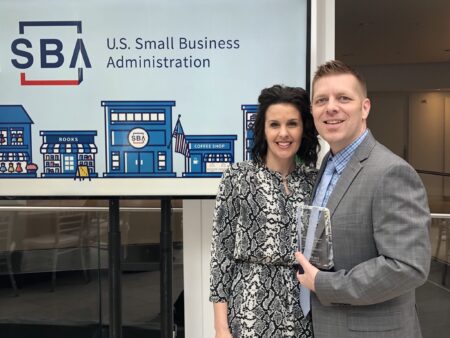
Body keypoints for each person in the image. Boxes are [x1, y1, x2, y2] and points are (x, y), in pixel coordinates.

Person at [295, 60, 431, 338]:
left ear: (365, 107)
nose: (331, 107)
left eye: (343, 98)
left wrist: (323, 284)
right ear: (313, 111)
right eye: (321, 100)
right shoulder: (327, 167)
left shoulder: (391, 171)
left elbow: (408, 267)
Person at [210, 85, 320, 337]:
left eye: (292, 123)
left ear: (303, 128)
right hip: (249, 307)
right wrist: (220, 327)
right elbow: (221, 255)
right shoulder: (237, 177)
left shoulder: (314, 180)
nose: (284, 133)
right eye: (274, 125)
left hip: (303, 309)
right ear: (263, 129)